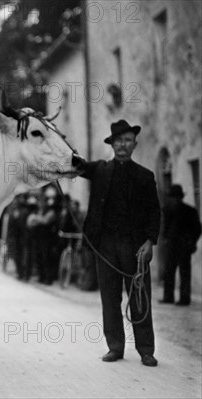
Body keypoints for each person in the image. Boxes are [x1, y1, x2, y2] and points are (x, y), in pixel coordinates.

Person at [80, 119, 161, 367]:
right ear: (112, 144)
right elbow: (76, 165)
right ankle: (115, 347)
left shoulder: (146, 177)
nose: (122, 145)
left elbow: (154, 212)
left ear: (134, 144)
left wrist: (149, 242)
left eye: (127, 140)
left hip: (135, 247)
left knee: (138, 297)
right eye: (118, 141)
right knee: (110, 298)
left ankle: (146, 350)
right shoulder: (100, 170)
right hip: (105, 246)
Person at [159, 184, 201, 306]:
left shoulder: (190, 211)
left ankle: (184, 298)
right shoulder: (167, 210)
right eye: (172, 197)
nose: (174, 200)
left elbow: (197, 229)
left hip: (184, 246)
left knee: (184, 272)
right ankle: (168, 297)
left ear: (179, 197)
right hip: (172, 245)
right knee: (169, 271)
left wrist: (191, 242)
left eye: (175, 197)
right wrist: (166, 239)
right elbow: (165, 227)